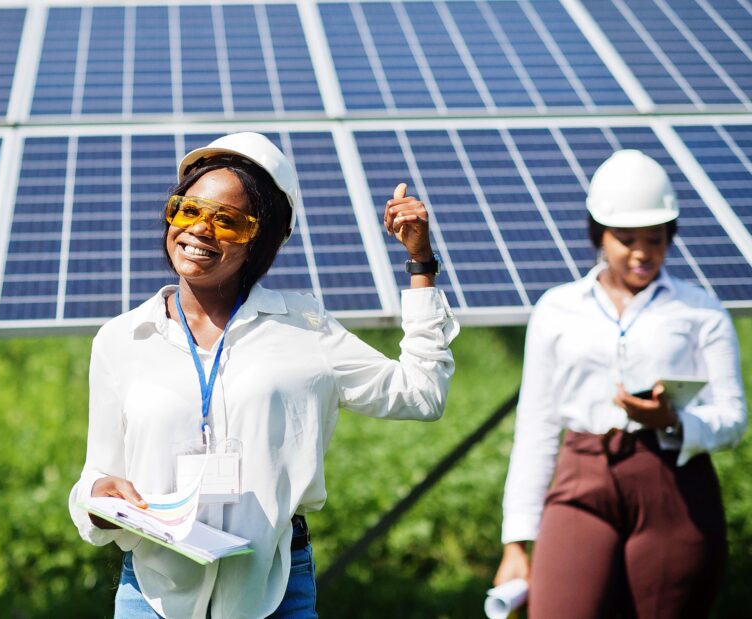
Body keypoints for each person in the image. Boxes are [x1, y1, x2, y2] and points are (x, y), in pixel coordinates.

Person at [68, 132, 459, 618]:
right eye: (188, 211)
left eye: (227, 221)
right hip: (155, 593)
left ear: (262, 238)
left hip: (272, 587)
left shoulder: (305, 328)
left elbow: (421, 394)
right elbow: (97, 477)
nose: (200, 231)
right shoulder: (123, 338)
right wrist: (95, 499)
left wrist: (421, 265)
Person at [493, 150, 747, 617]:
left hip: (675, 485)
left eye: (655, 239)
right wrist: (516, 541)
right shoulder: (557, 308)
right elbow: (537, 426)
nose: (641, 252)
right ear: (598, 235)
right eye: (625, 239)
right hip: (581, 478)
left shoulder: (700, 311)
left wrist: (673, 421)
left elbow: (732, 418)